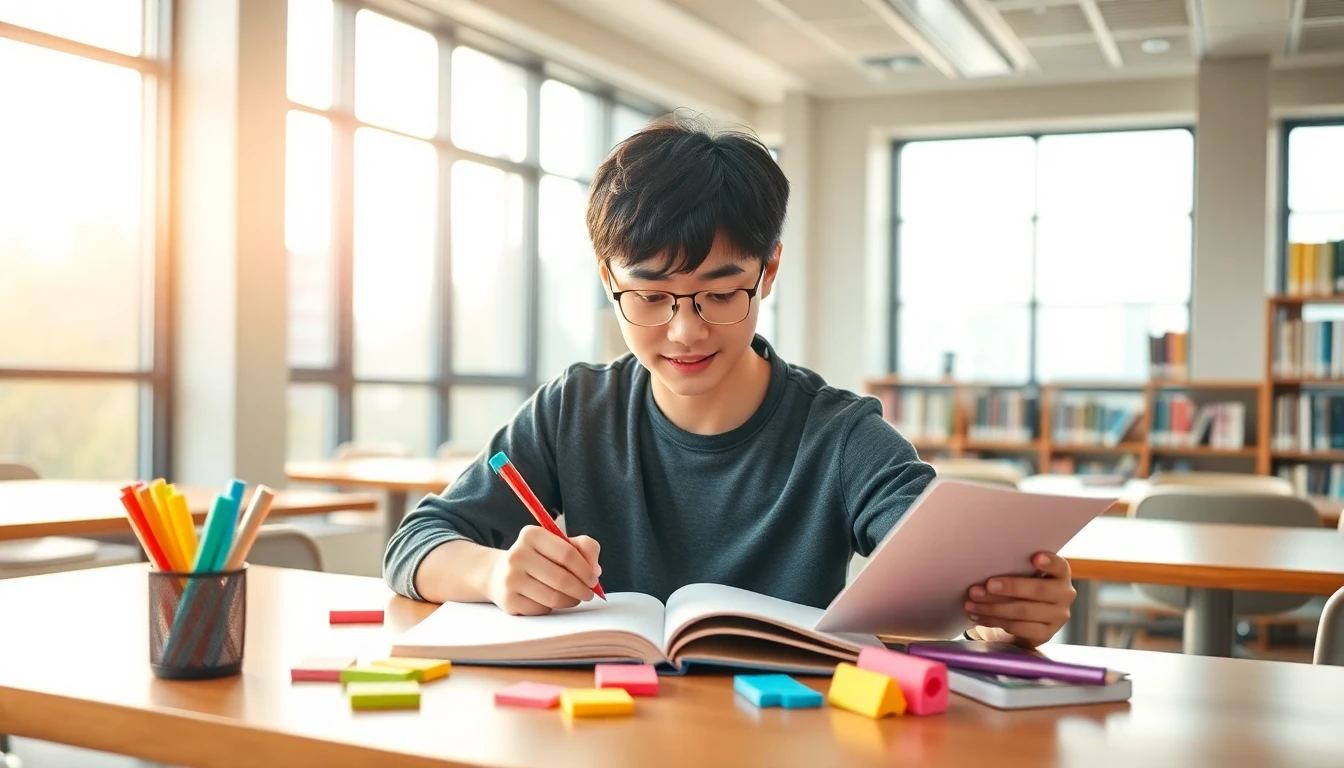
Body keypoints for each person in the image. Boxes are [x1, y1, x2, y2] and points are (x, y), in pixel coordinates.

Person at [384, 113, 1075, 647]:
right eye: (650, 296)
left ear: (768, 271)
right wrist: (495, 574)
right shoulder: (577, 410)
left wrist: (1006, 608)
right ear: (607, 278)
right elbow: (415, 544)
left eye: (720, 294)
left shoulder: (838, 436)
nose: (685, 331)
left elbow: (951, 569)